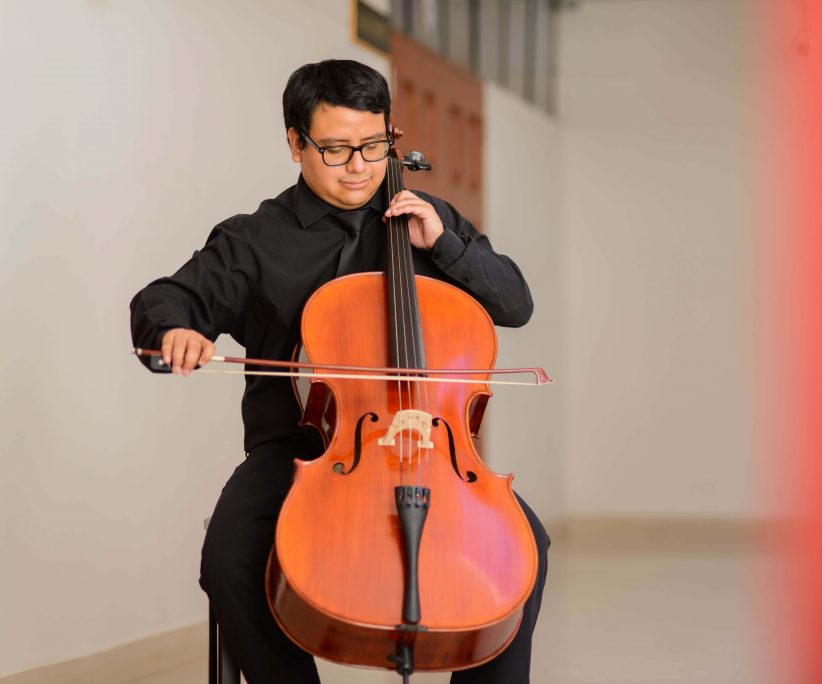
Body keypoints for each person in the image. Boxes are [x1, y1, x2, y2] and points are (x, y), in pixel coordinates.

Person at [129, 59, 549, 684]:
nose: (359, 166)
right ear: (296, 144)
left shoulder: (425, 219)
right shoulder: (255, 240)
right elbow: (164, 298)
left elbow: (515, 304)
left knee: (524, 549)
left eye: (374, 145)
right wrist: (175, 331)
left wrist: (448, 248)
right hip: (301, 453)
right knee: (229, 561)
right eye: (335, 149)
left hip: (432, 444)